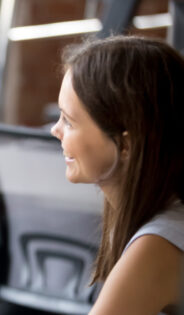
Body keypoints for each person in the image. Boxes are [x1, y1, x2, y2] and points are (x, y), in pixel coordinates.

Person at [51, 35, 184, 315]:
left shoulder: (157, 245)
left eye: (68, 121)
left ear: (125, 144)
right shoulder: (155, 213)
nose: (55, 130)